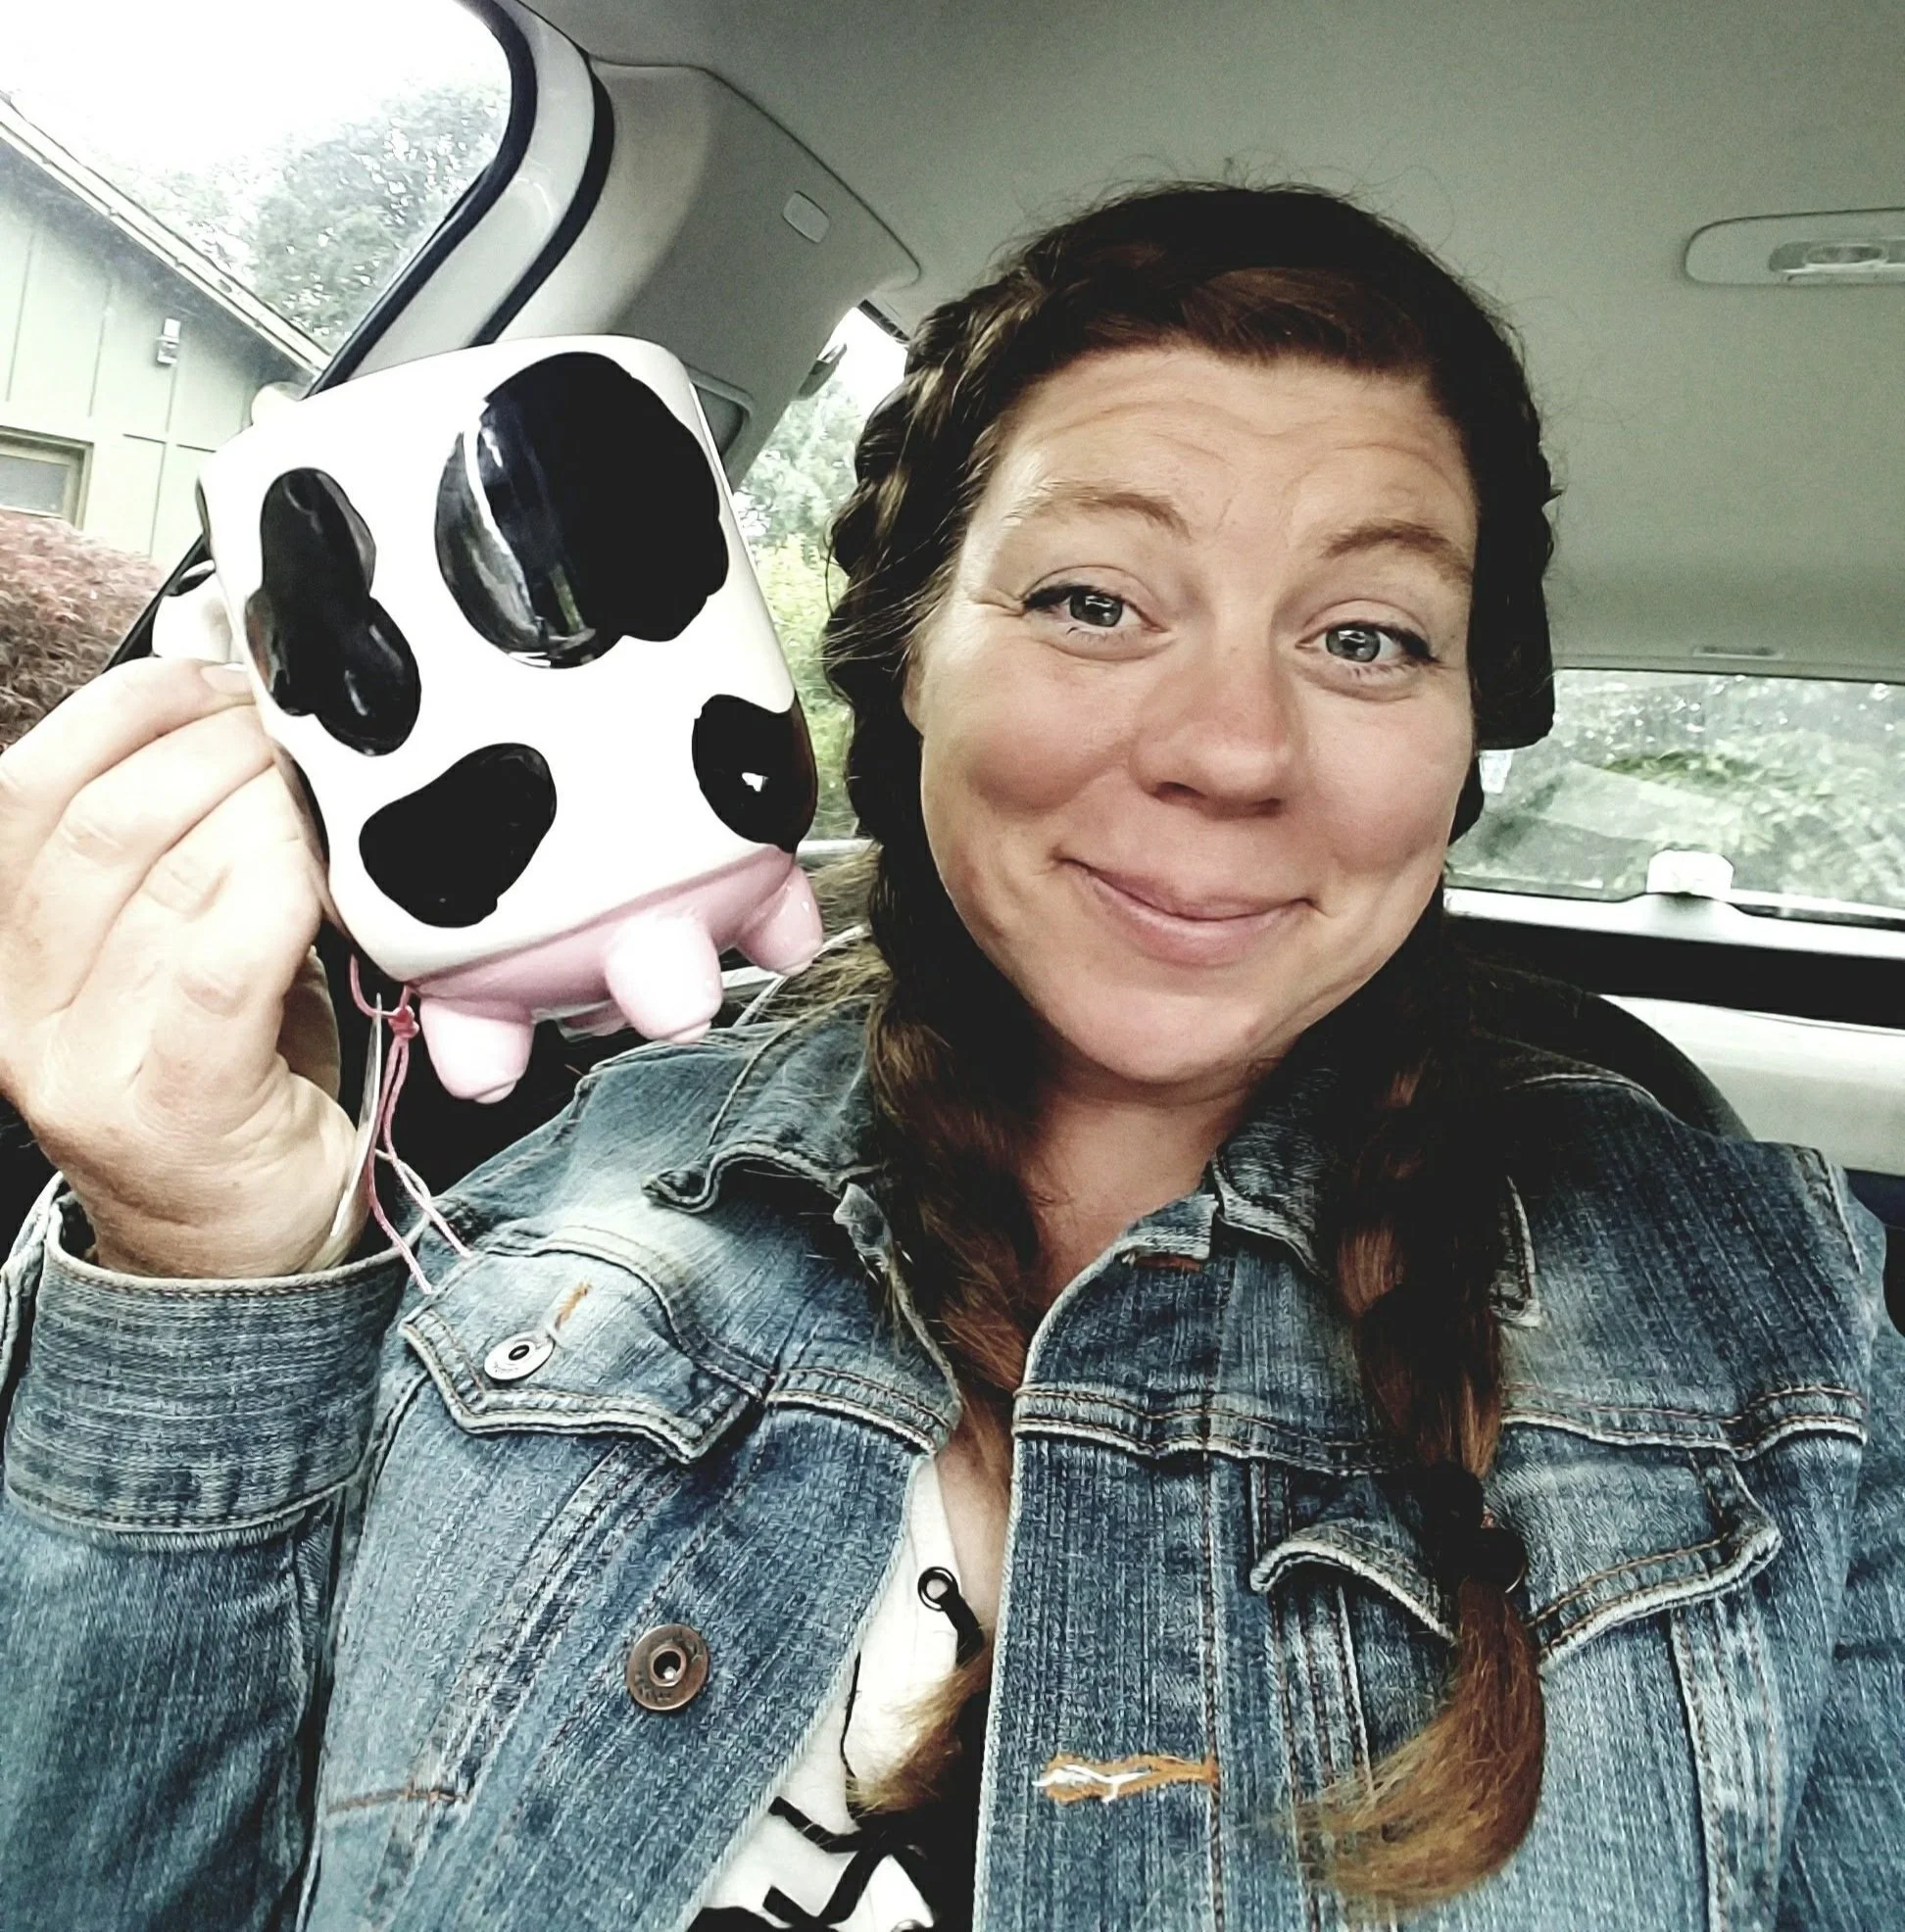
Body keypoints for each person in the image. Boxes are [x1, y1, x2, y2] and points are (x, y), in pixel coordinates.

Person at [0, 184, 1897, 1932]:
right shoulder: (510, 1189)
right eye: (1092, 600)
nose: (1232, 748)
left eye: (1370, 636)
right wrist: (206, 1251)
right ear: (906, 654)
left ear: (1472, 730)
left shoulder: (1790, 1344)